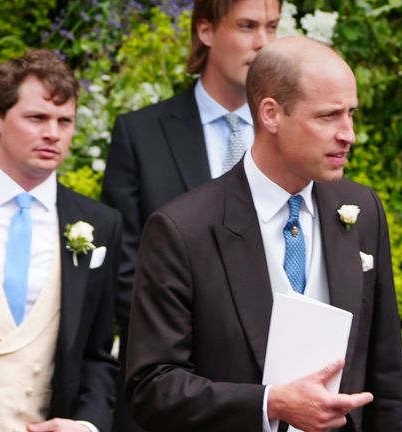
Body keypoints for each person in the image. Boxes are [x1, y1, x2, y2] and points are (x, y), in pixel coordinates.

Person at [125, 35, 402, 431]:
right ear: (271, 114)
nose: (349, 134)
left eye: (351, 114)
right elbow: (152, 387)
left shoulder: (362, 211)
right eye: (329, 116)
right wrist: (269, 403)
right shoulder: (182, 230)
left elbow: (387, 373)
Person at [100, 2, 280, 428]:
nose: (263, 43)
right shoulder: (140, 134)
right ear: (205, 31)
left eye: (272, 27)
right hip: (168, 385)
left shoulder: (290, 134)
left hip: (275, 389)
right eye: (247, 26)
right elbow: (123, 267)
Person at [0, 50, 121, 431]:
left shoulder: (101, 224)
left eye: (64, 121)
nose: (53, 132)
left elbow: (97, 355)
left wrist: (87, 425)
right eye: (37, 118)